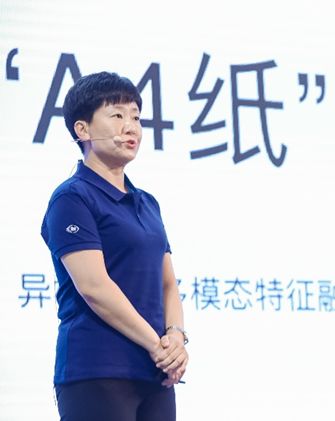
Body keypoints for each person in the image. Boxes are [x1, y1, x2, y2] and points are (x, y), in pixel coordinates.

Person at [40, 71, 188, 421]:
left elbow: (168, 283)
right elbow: (94, 287)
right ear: (83, 129)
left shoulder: (147, 203)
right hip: (97, 368)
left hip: (155, 374)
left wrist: (176, 338)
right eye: (117, 115)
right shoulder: (72, 197)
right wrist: (157, 346)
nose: (131, 127)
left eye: (136, 117)